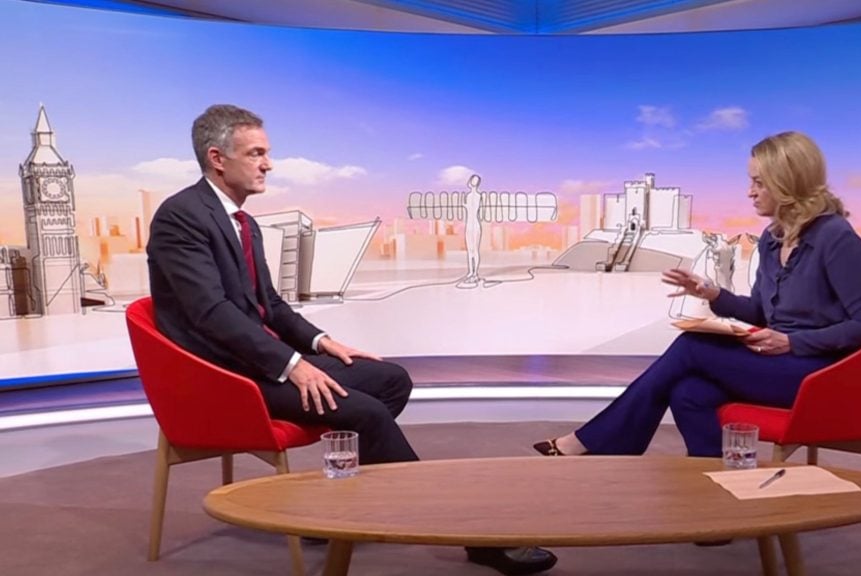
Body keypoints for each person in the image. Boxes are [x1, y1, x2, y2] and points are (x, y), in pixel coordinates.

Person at [147, 104, 556, 576]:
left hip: (260, 362)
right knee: (366, 412)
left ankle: (338, 505)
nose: (268, 164)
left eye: (267, 153)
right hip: (225, 376)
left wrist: (322, 344)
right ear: (218, 158)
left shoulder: (243, 221)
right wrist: (292, 365)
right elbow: (211, 313)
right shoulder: (180, 218)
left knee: (390, 380)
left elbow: (271, 307)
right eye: (256, 153)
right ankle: (471, 533)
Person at [534, 131, 861, 459]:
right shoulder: (772, 238)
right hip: (776, 362)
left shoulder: (836, 238)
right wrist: (712, 292)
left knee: (691, 347)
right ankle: (714, 491)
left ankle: (594, 443)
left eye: (758, 182)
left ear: (787, 183)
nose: (750, 192)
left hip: (818, 374)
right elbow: (760, 312)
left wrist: (793, 343)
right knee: (688, 392)